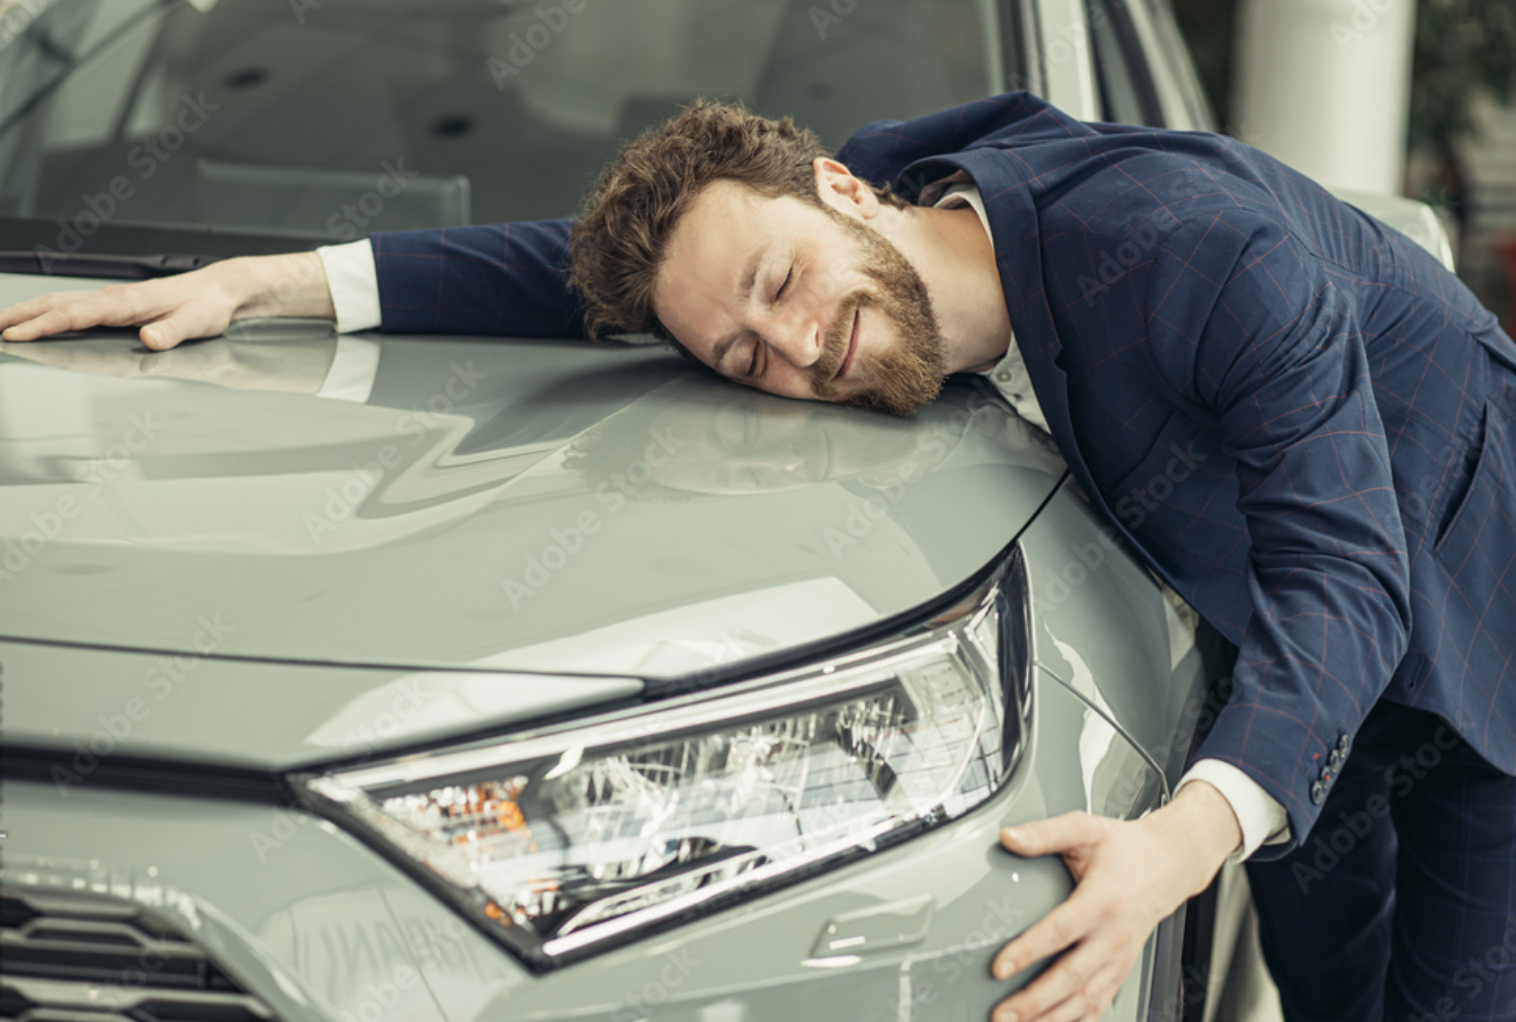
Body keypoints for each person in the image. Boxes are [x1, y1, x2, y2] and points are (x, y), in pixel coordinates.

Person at [4, 91, 1515, 1022]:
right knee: (1327, 993)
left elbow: (1351, 576)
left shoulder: (1195, 248)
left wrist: (1171, 850)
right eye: (745, 349)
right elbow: (579, 273)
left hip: (1463, 604)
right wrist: (277, 280)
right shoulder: (847, 222)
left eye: (786, 283)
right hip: (1296, 672)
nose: (797, 345)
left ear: (848, 195)